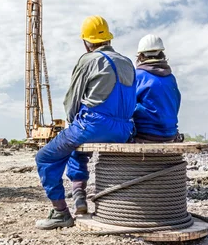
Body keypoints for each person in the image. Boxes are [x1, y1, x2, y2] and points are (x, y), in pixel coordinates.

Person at [35, 16, 136, 230]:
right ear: (108, 38)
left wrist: (72, 122)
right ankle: (79, 196)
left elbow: (71, 99)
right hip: (125, 129)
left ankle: (61, 212)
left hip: (94, 125)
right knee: (75, 146)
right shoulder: (127, 62)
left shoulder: (88, 60)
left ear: (86, 42)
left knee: (45, 157)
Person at [134, 34, 182, 143]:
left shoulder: (137, 76)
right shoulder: (171, 78)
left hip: (145, 134)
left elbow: (127, 106)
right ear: (162, 54)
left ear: (140, 56)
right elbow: (176, 104)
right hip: (170, 134)